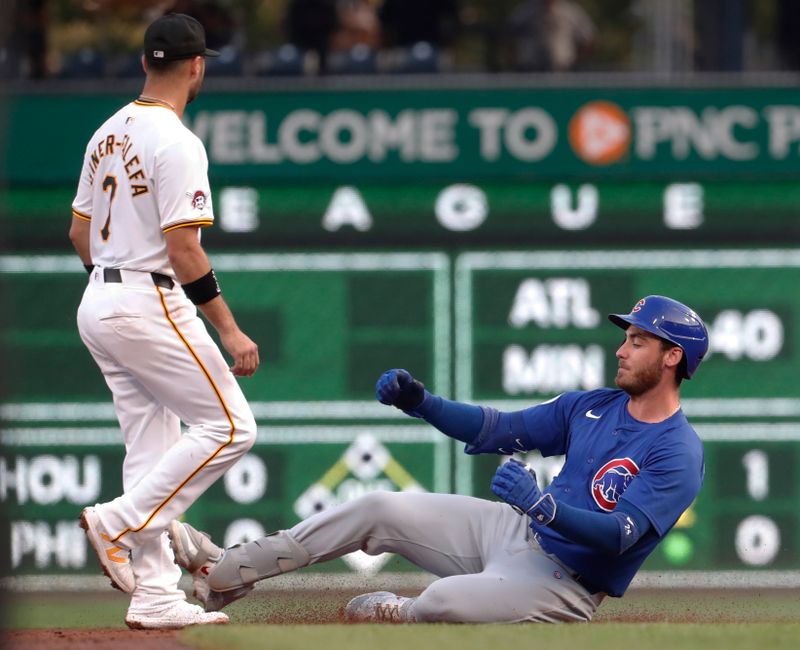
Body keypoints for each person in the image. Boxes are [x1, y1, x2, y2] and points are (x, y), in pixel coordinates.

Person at [168, 295, 707, 623]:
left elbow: (619, 536)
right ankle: (228, 573)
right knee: (378, 505)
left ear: (672, 356)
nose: (621, 348)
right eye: (627, 337)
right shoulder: (594, 406)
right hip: (513, 532)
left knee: (441, 602)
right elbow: (500, 429)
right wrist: (422, 404)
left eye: (638, 340)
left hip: (565, 583)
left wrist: (544, 507)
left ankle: (400, 616)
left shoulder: (678, 450)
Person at [68, 12, 259, 629]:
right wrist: (228, 328)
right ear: (197, 65)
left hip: (100, 295)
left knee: (151, 447)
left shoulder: (105, 132)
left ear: (146, 62)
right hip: (147, 297)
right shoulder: (177, 140)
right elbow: (183, 251)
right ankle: (116, 521)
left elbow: (78, 232)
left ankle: (154, 595)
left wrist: (111, 286)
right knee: (231, 427)